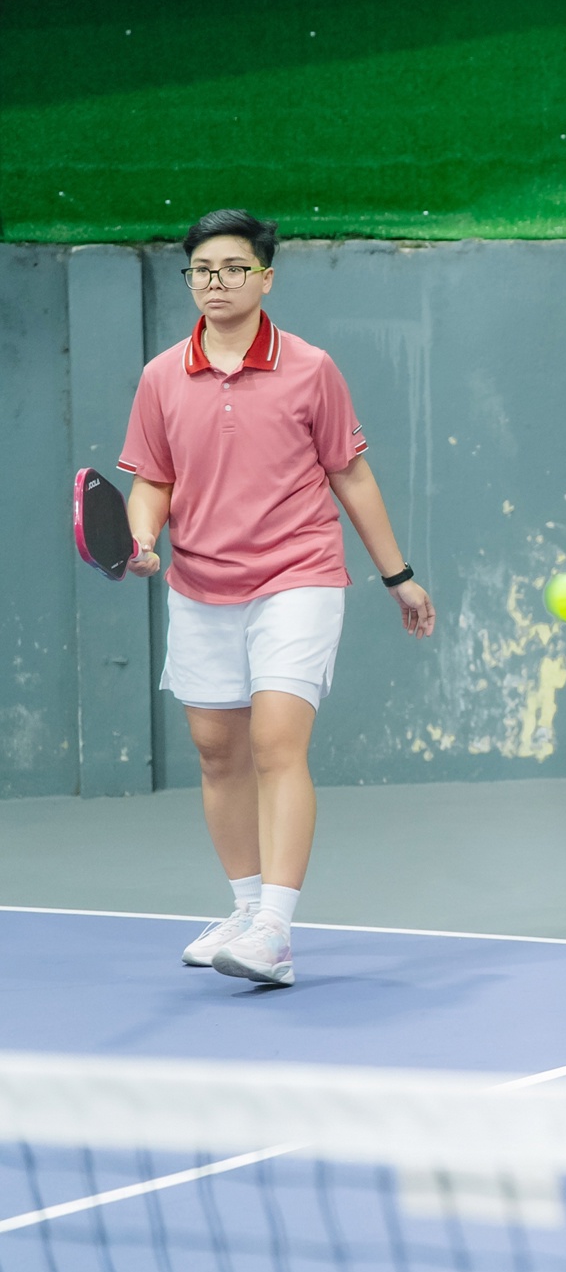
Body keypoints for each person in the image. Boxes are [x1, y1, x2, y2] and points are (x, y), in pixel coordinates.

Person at [120, 210, 435, 987]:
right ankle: (244, 907)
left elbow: (349, 472)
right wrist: (143, 536)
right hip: (200, 583)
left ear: (266, 277)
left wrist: (398, 575)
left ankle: (276, 931)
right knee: (216, 751)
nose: (215, 282)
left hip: (297, 574)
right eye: (202, 270)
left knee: (275, 744)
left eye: (233, 268)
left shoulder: (310, 368)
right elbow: (153, 479)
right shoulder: (161, 376)